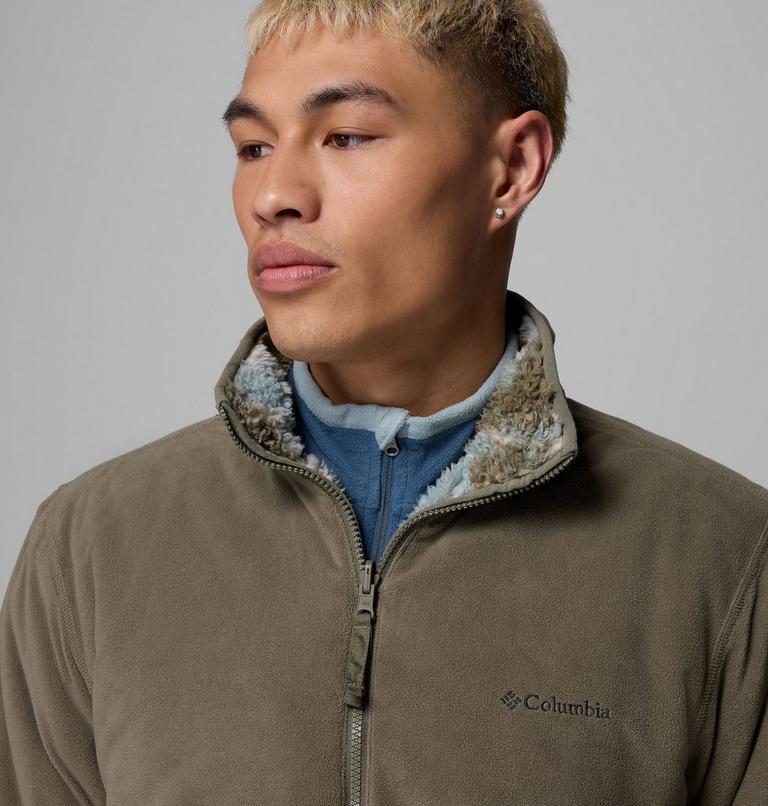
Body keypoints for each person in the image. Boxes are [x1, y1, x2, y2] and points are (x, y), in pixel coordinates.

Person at [1, 1, 766, 803]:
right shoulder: (89, 548)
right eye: (253, 146)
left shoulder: (725, 557)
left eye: (345, 136)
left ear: (511, 169)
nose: (273, 195)